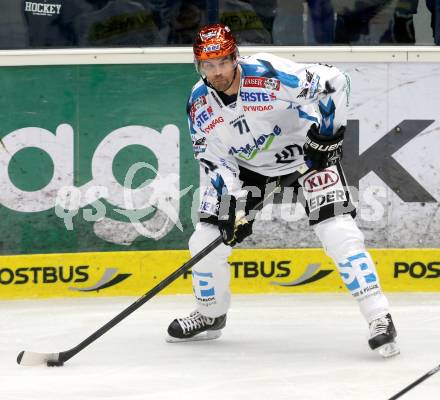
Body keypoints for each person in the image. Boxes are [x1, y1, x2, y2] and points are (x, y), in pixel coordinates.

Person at [166, 23, 399, 358]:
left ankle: (379, 317)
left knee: (338, 232)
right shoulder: (199, 104)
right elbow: (212, 159)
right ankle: (211, 313)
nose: (217, 72)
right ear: (198, 65)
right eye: (208, 64)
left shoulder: (269, 75)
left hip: (307, 156)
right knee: (204, 238)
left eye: (223, 61)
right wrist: (233, 208)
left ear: (235, 57)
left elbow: (336, 82)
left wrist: (329, 135)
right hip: (249, 169)